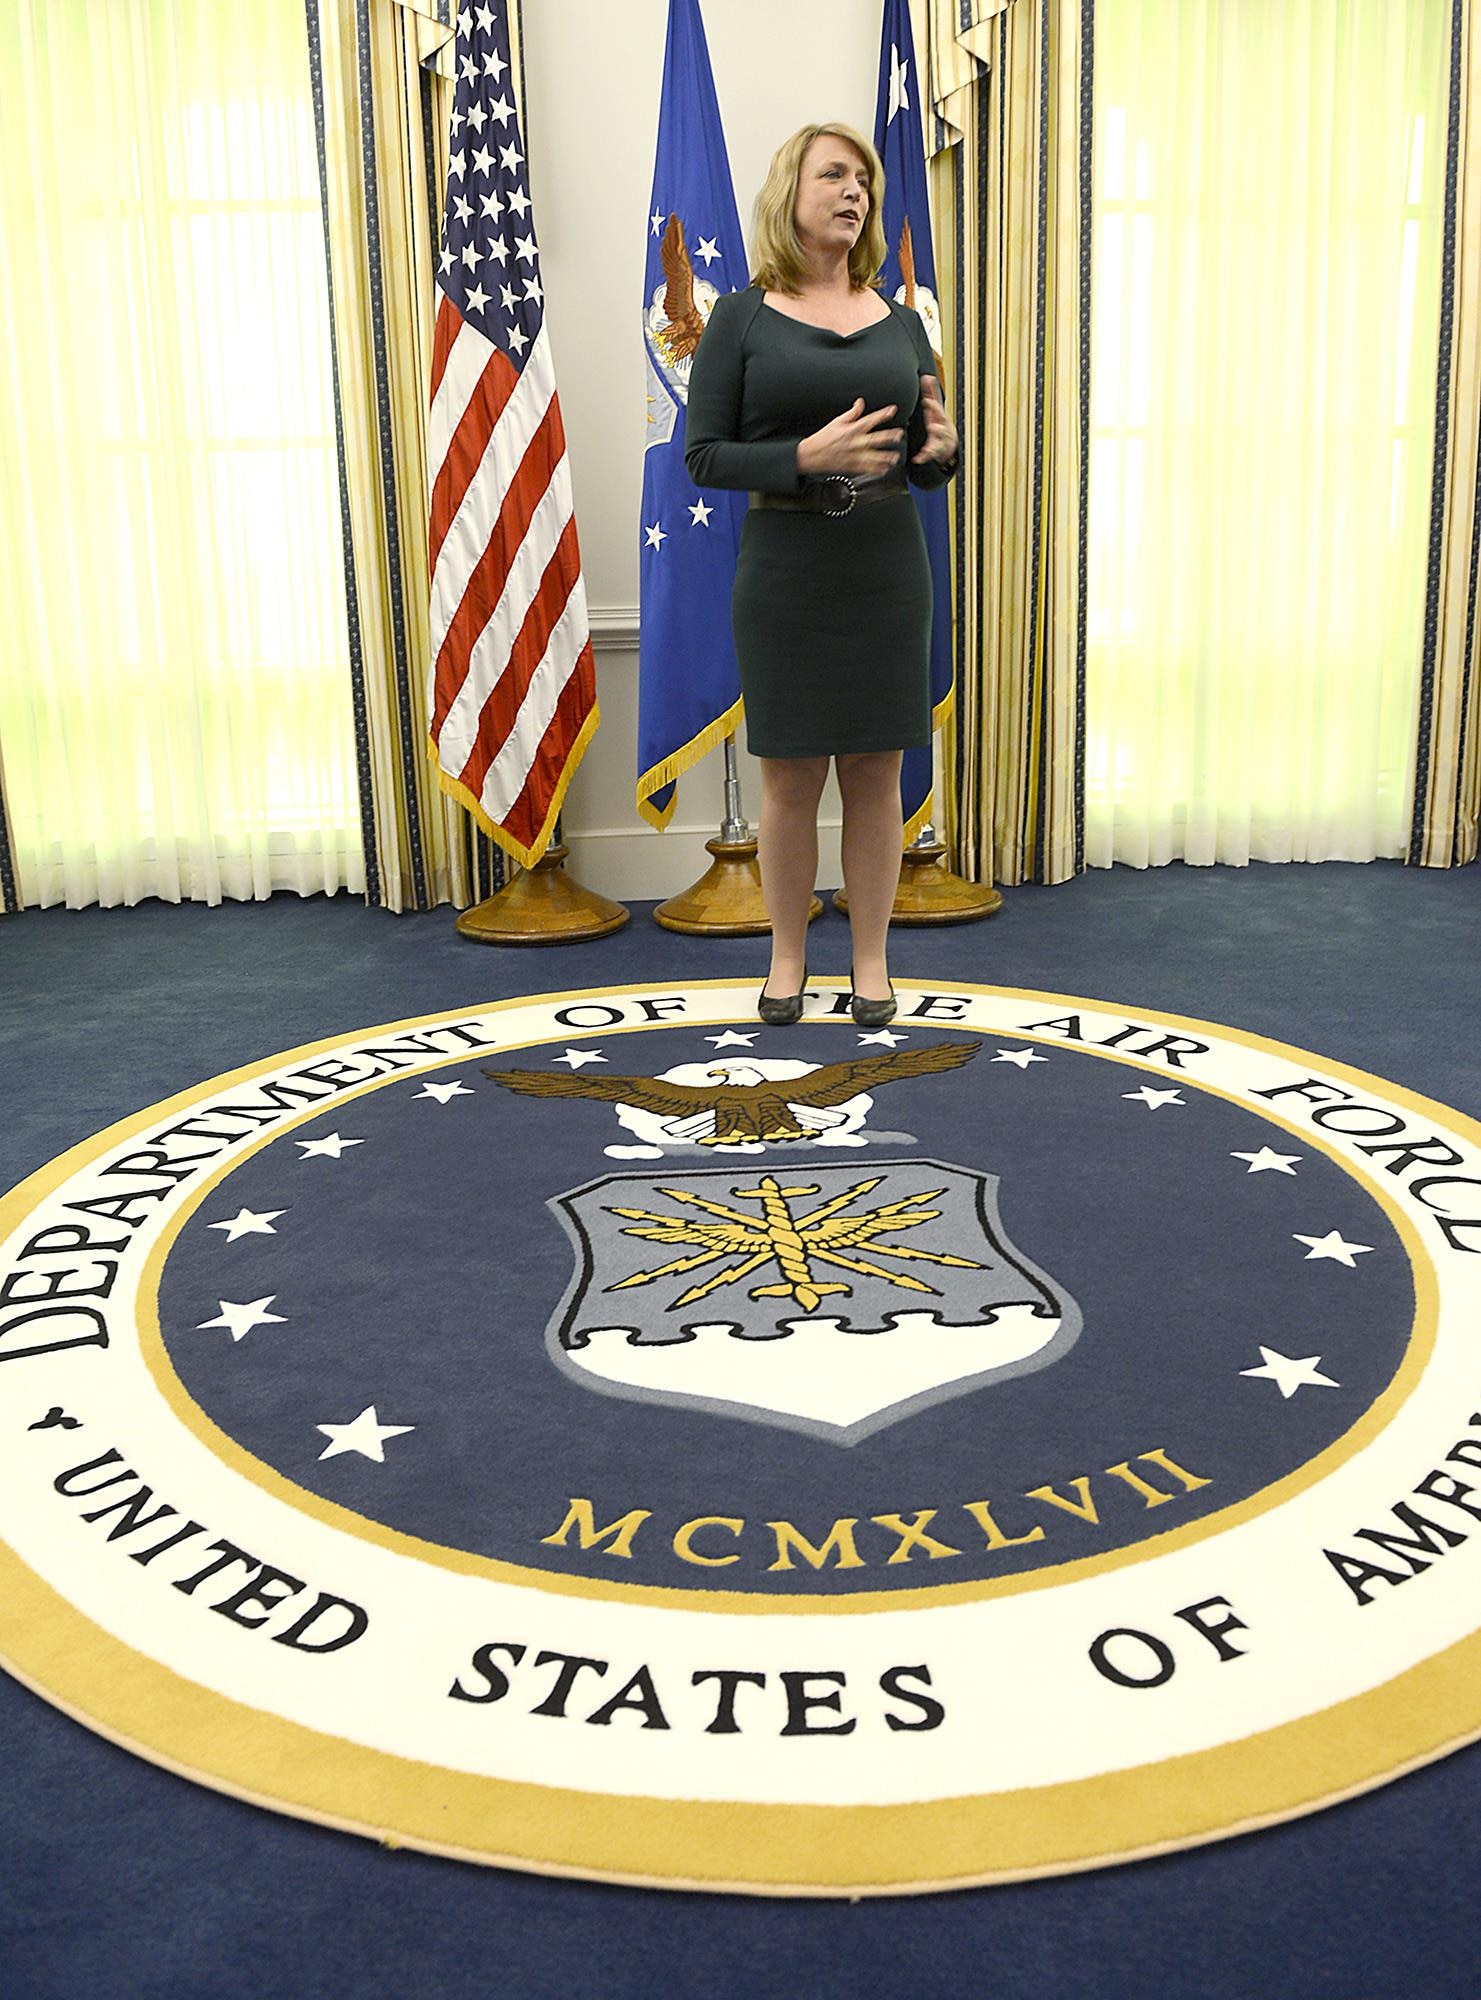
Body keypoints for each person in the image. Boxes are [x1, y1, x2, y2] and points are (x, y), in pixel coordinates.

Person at [684, 121, 959, 1028]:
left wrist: (942, 454)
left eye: (864, 183)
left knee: (876, 771)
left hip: (884, 565)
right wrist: (802, 454)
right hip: (787, 568)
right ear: (788, 192)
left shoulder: (904, 323)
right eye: (834, 175)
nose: (854, 192)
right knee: (791, 776)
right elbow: (703, 457)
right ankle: (788, 958)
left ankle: (872, 962)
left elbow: (921, 456)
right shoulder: (741, 317)